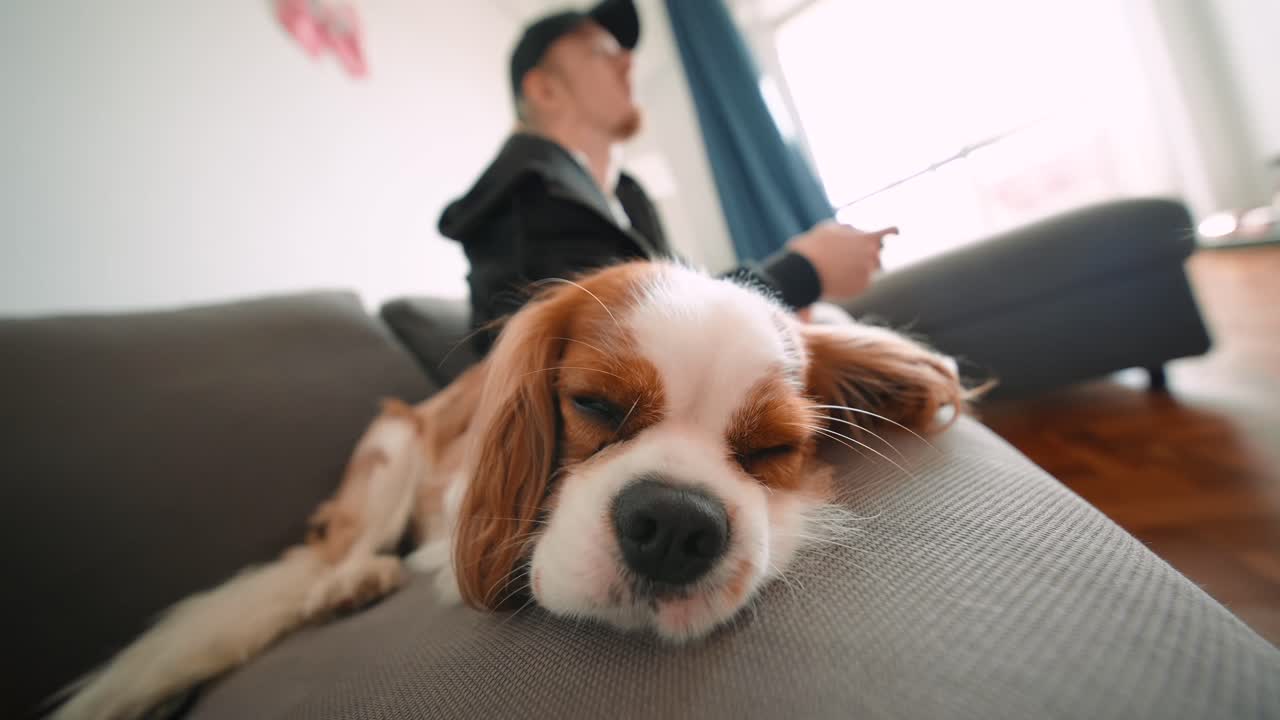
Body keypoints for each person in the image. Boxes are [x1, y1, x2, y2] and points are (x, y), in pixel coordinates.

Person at [438, 0, 895, 355]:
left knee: (833, 326)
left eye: (624, 52)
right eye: (602, 52)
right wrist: (799, 272)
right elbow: (611, 358)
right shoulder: (522, 196)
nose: (628, 63)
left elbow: (669, 309)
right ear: (545, 89)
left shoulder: (625, 197)